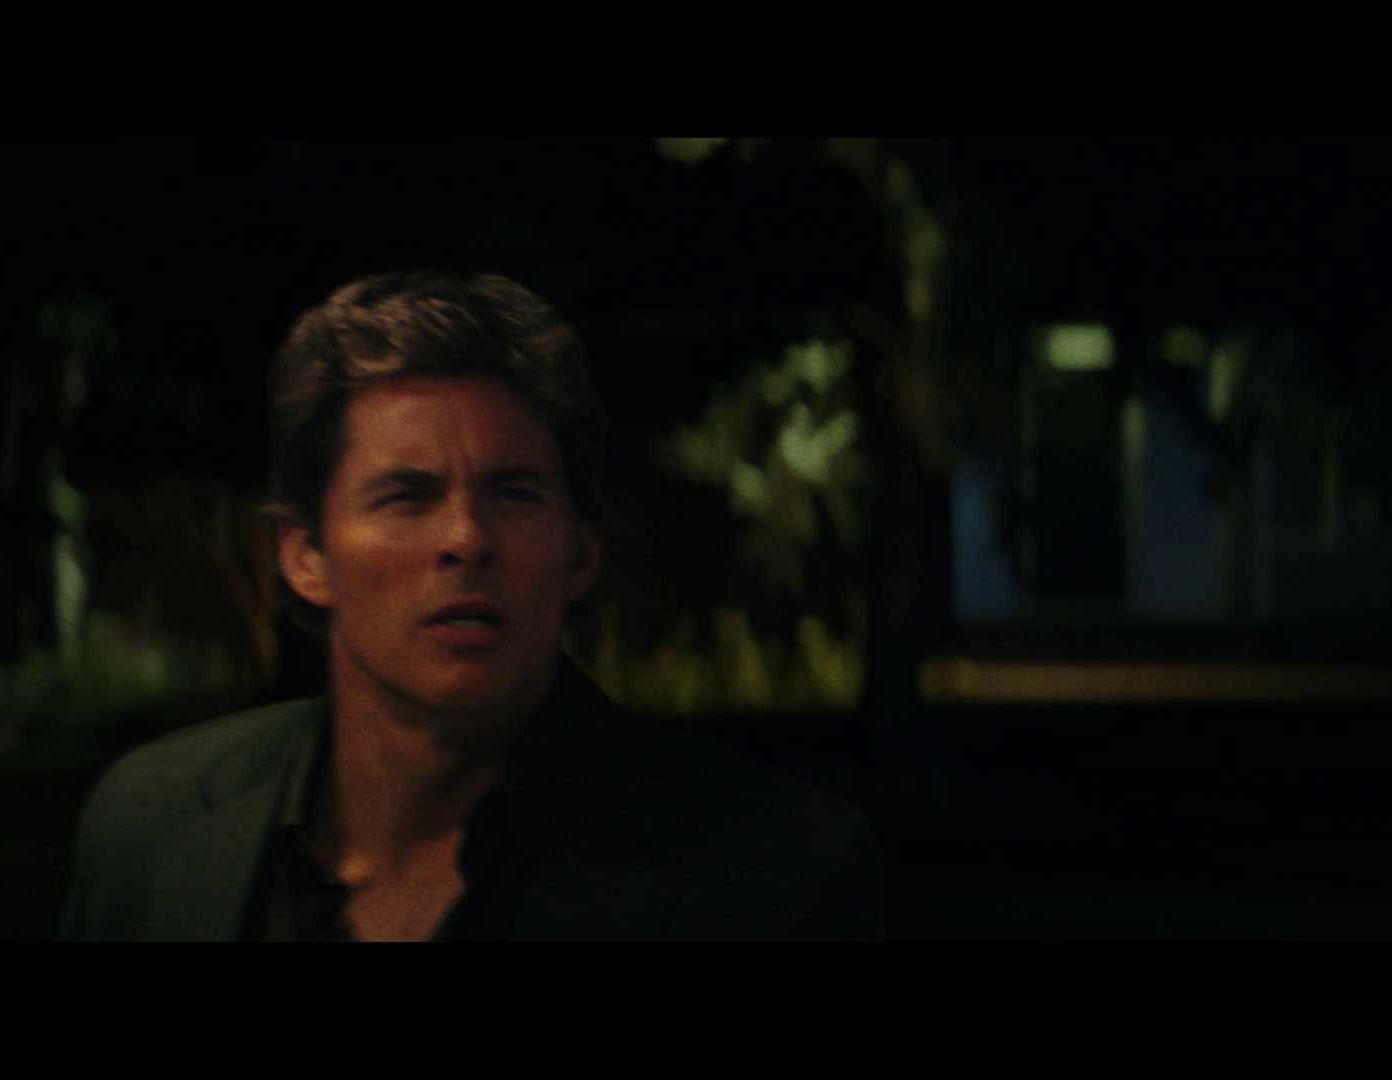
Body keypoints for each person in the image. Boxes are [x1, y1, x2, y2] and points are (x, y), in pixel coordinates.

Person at [62, 271, 885, 941]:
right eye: (407, 496)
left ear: (581, 552)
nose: (466, 538)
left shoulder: (774, 873)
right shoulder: (155, 825)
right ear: (305, 555)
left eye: (514, 493)